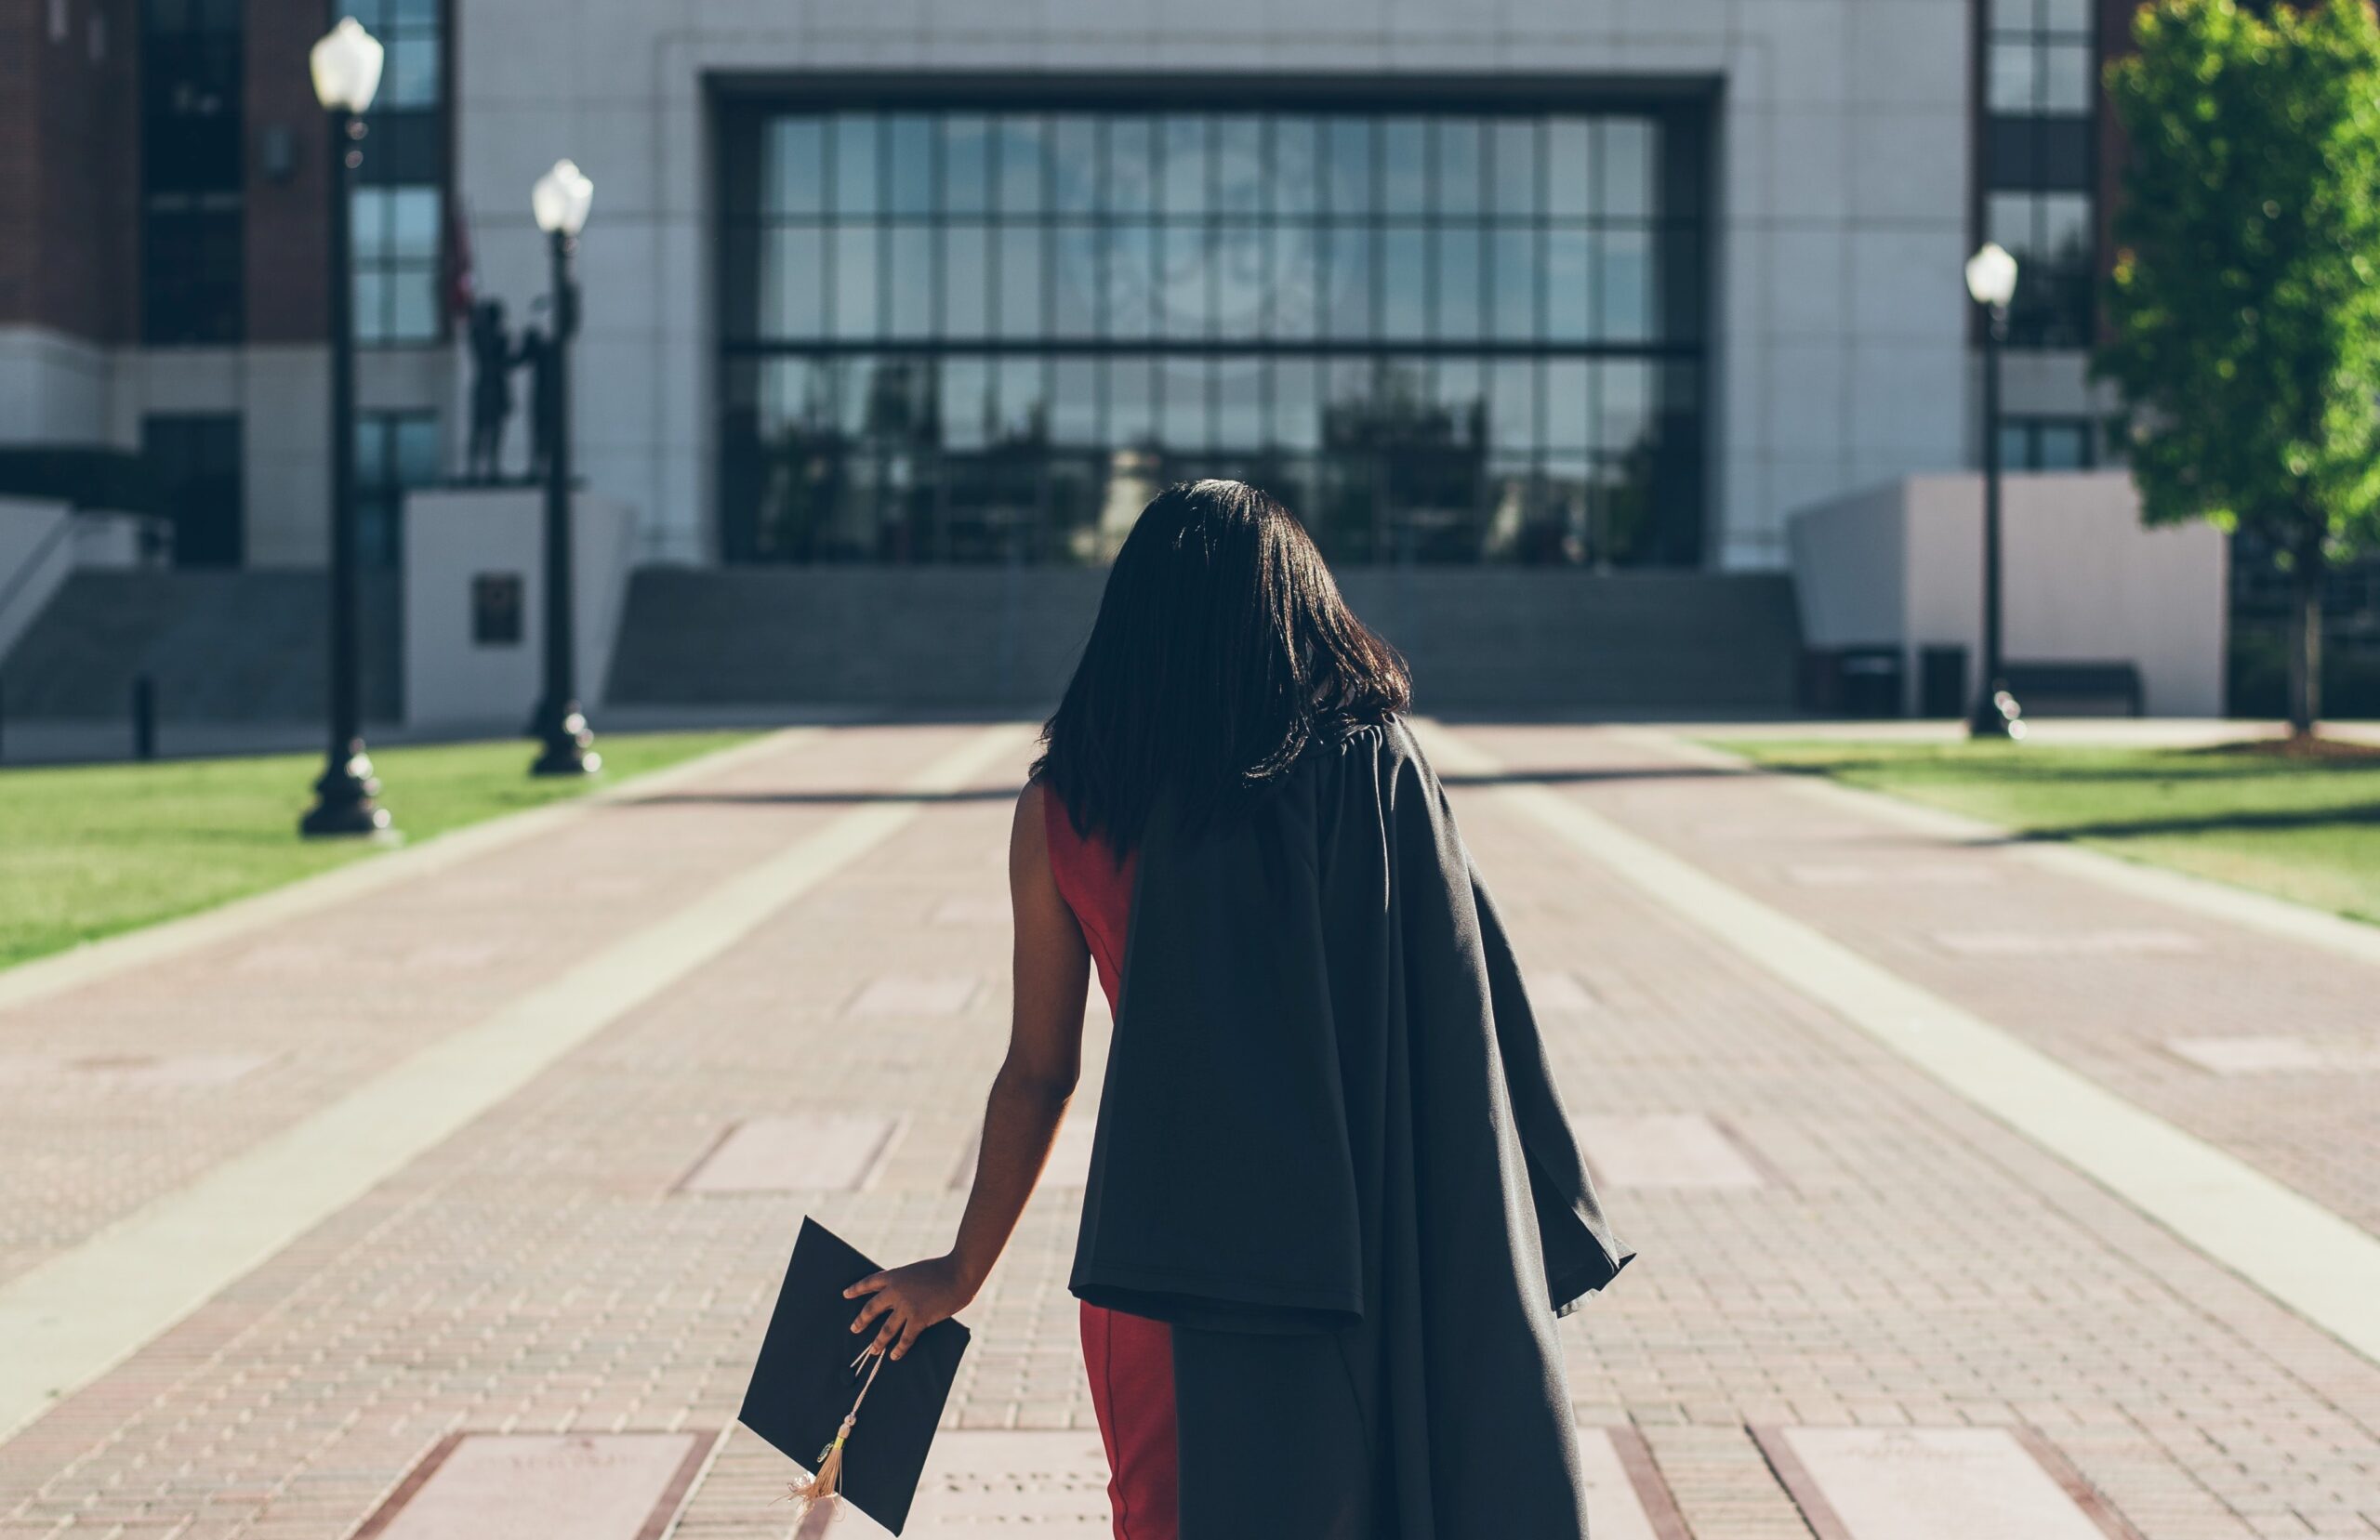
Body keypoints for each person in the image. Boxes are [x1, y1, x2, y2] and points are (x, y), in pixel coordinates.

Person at [844, 480, 1632, 1539]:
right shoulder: (1373, 772)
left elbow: (1040, 1069)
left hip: (1168, 1255)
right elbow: (1461, 1016)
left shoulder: (1067, 810)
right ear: (1297, 609)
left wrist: (960, 1269)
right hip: (1370, 1239)